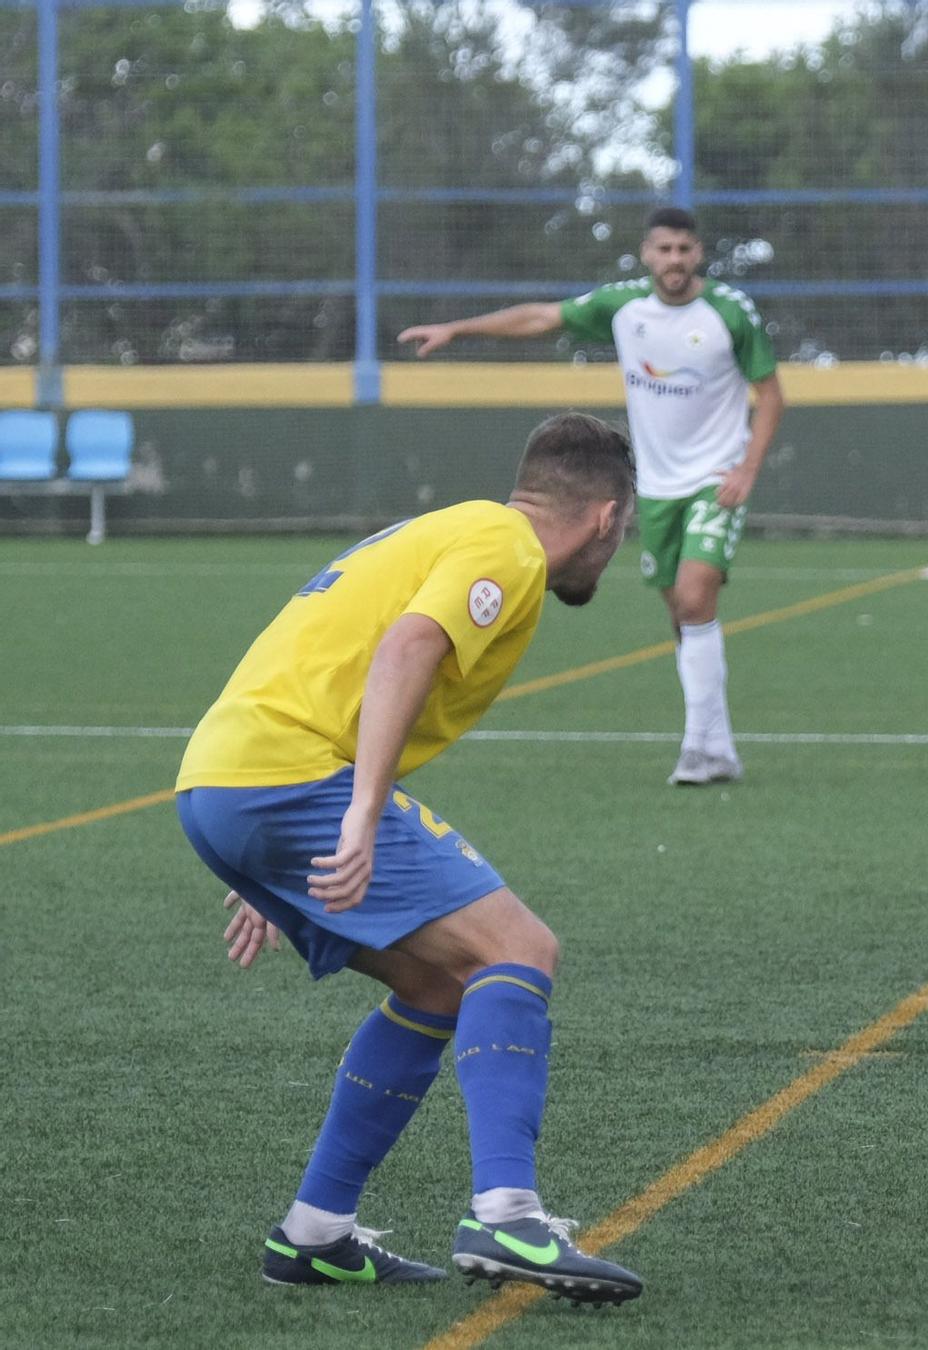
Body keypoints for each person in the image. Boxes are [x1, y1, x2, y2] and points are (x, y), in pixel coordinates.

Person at [176, 412, 646, 1299]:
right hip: (288, 778)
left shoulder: (459, 526)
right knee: (519, 949)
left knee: (438, 982)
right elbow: (408, 646)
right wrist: (355, 812)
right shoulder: (506, 548)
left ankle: (316, 1231)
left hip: (224, 781)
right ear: (606, 516)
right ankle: (507, 1215)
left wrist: (269, 852)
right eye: (622, 532)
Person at [398, 206, 784, 786]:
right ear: (647, 254)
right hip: (655, 486)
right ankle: (718, 741)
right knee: (681, 612)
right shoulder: (624, 307)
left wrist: (748, 468)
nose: (674, 260)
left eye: (684, 250)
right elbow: (541, 318)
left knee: (695, 592)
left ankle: (702, 749)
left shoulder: (730, 311)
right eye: (664, 250)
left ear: (698, 253)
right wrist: (459, 329)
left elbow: (772, 393)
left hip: (716, 477)